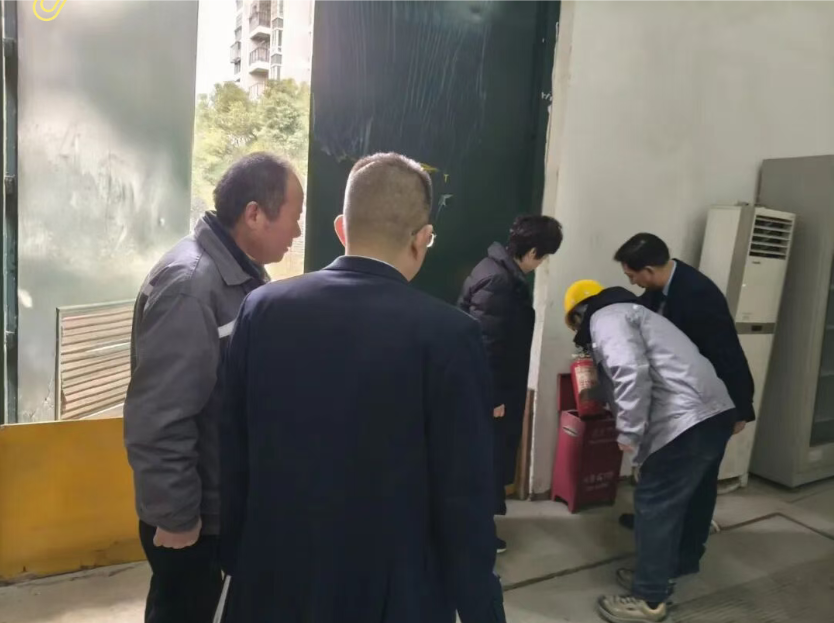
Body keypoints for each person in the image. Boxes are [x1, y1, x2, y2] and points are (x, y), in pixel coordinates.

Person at [218, 153, 505, 623]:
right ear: (422, 239)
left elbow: (234, 447)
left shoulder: (262, 308)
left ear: (341, 228)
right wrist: (481, 609)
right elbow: (463, 497)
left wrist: (238, 559)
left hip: (275, 577)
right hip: (392, 594)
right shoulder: (449, 336)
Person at [123, 153, 303, 623]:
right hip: (195, 521)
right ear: (254, 214)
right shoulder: (191, 286)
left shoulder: (236, 275)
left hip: (220, 507)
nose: (298, 231)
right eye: (294, 216)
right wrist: (177, 518)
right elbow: (160, 417)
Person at [563, 280, 736, 623]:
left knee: (655, 504)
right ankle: (676, 565)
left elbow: (629, 370)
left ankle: (649, 598)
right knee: (695, 497)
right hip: (714, 412)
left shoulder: (607, 318)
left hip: (683, 421)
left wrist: (629, 431)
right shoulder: (638, 314)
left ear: (580, 314)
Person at [613, 233, 755, 531]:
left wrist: (740, 408)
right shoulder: (657, 290)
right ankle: (652, 524)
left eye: (632, 276)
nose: (633, 282)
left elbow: (726, 353)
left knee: (699, 478)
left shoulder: (697, 295)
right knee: (659, 469)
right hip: (675, 399)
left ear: (648, 270)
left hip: (708, 404)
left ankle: (688, 543)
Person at [458, 215, 563, 553]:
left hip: (488, 391)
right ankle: (476, 536)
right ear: (532, 251)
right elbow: (486, 345)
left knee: (484, 463)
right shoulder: (499, 282)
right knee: (484, 465)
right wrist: (492, 398)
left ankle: (476, 530)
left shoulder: (496, 270)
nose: (541, 264)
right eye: (543, 257)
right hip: (489, 395)